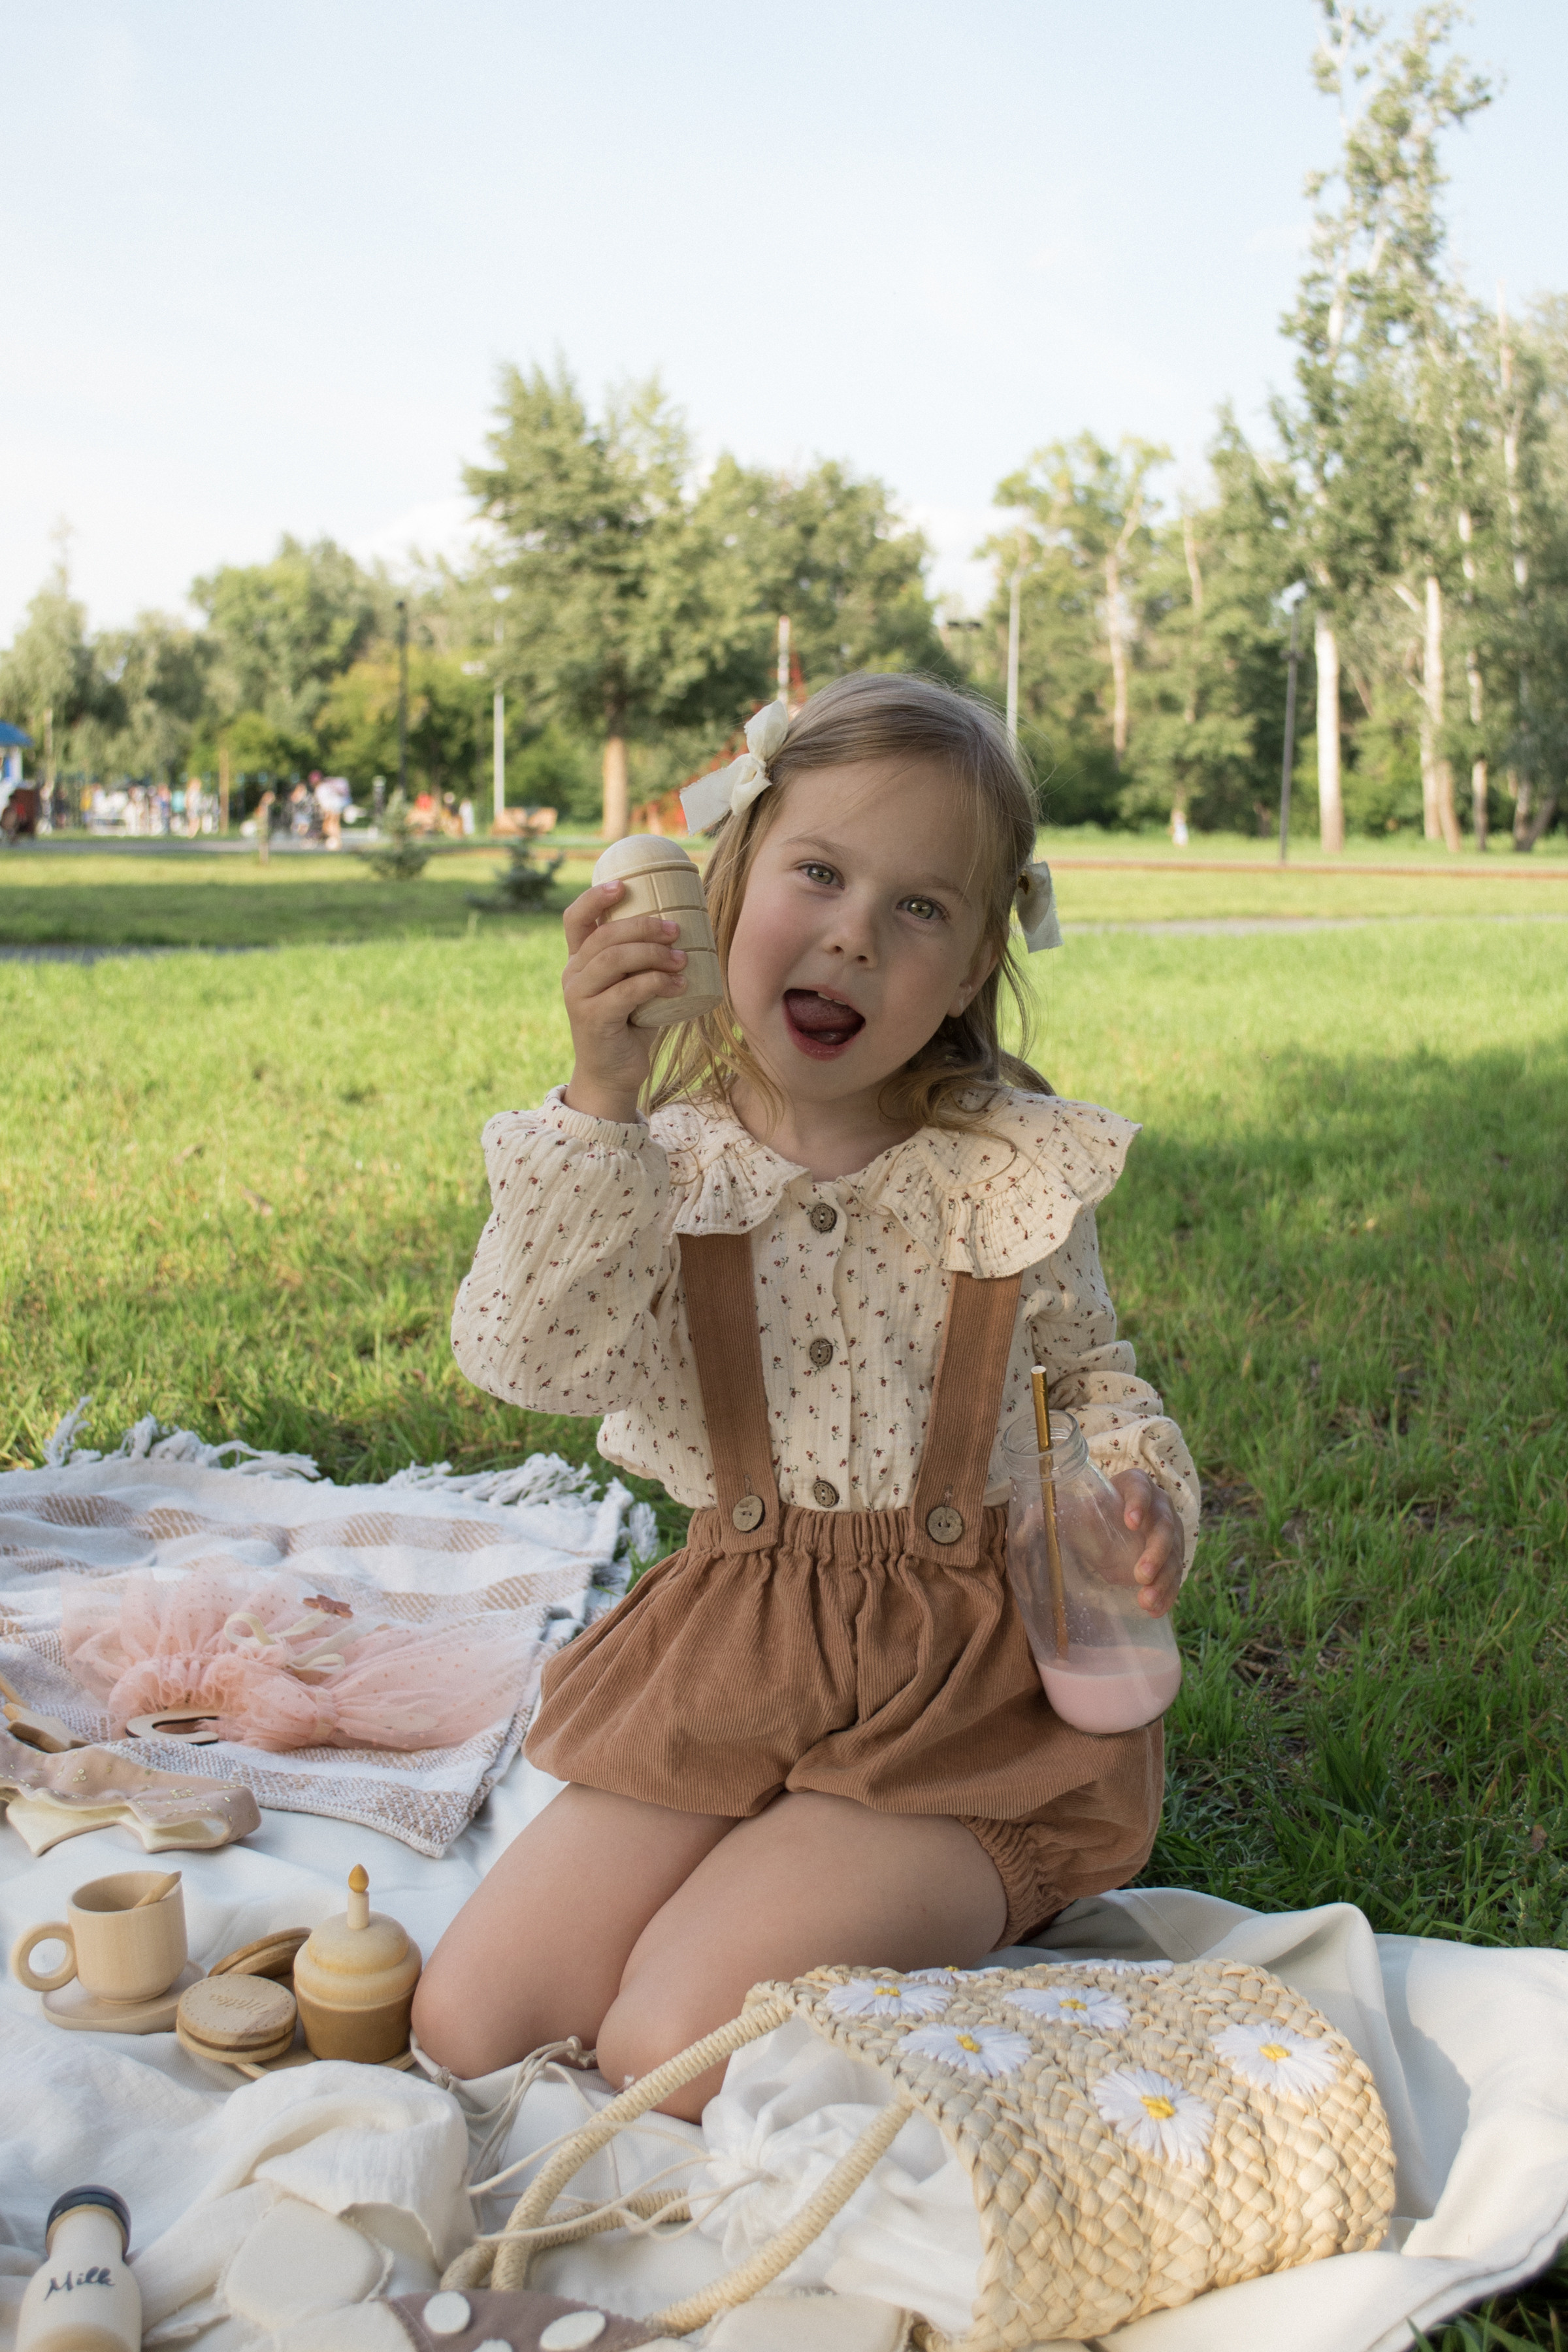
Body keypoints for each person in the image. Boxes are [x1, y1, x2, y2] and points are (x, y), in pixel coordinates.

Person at [414, 673, 1198, 2116]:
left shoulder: (1007, 1168)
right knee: (471, 2023)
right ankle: (768, 1862)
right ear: (729, 884)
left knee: (668, 2049)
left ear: (971, 965)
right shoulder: (665, 1164)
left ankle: (909, 1900)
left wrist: (1133, 1487)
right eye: (820, 873)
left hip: (962, 1704)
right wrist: (601, 1093)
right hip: (739, 1662)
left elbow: (1086, 1380)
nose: (852, 932)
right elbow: (526, 1357)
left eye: (919, 909)